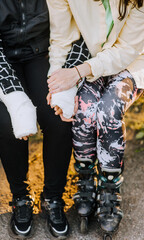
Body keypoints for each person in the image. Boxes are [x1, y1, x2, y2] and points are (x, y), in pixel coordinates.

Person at [46, 0, 144, 237]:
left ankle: (110, 188)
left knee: (109, 110)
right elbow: (61, 38)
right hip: (90, 59)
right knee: (85, 110)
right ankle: (85, 179)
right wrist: (58, 86)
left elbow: (126, 50)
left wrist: (79, 72)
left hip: (131, 62)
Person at [0, 0, 73, 239]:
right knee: (9, 122)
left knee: (57, 117)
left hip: (41, 54)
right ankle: (20, 197)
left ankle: (53, 197)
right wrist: (16, 98)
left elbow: (71, 27)